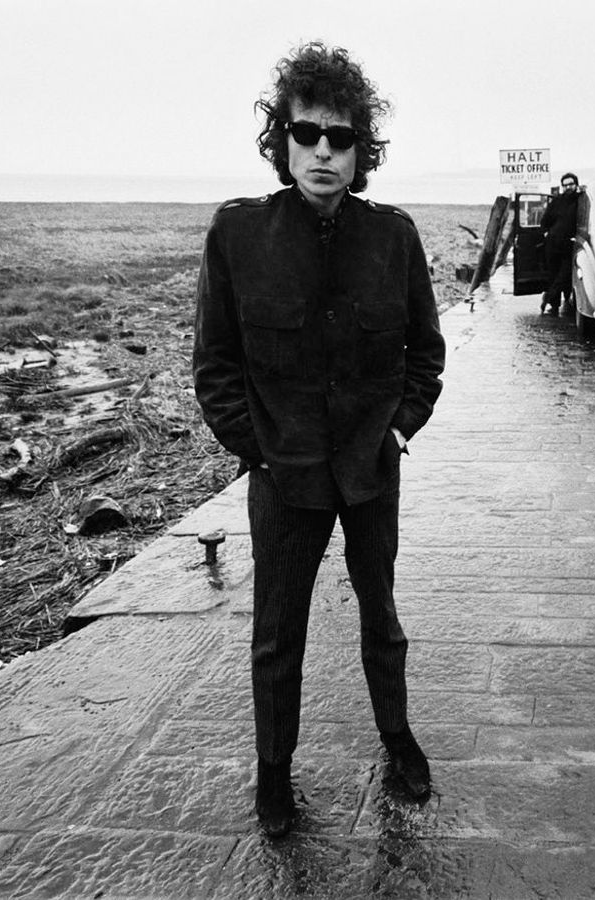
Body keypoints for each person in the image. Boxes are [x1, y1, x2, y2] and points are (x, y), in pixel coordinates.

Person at [192, 41, 446, 838]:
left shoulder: (393, 238)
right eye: (308, 134)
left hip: (370, 466)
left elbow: (425, 353)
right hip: (284, 474)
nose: (324, 151)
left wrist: (398, 428)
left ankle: (398, 738)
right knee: (277, 636)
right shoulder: (238, 235)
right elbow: (215, 365)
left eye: (341, 137)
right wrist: (258, 450)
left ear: (362, 150)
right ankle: (274, 774)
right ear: (284, 141)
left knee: (383, 619)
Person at [539, 172, 580, 316]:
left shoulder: (581, 201)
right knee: (553, 274)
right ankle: (554, 305)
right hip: (553, 244)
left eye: (571, 184)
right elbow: (545, 221)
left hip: (570, 244)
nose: (568, 187)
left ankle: (549, 298)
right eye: (565, 185)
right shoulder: (556, 201)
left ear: (576, 185)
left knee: (565, 275)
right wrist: (546, 233)